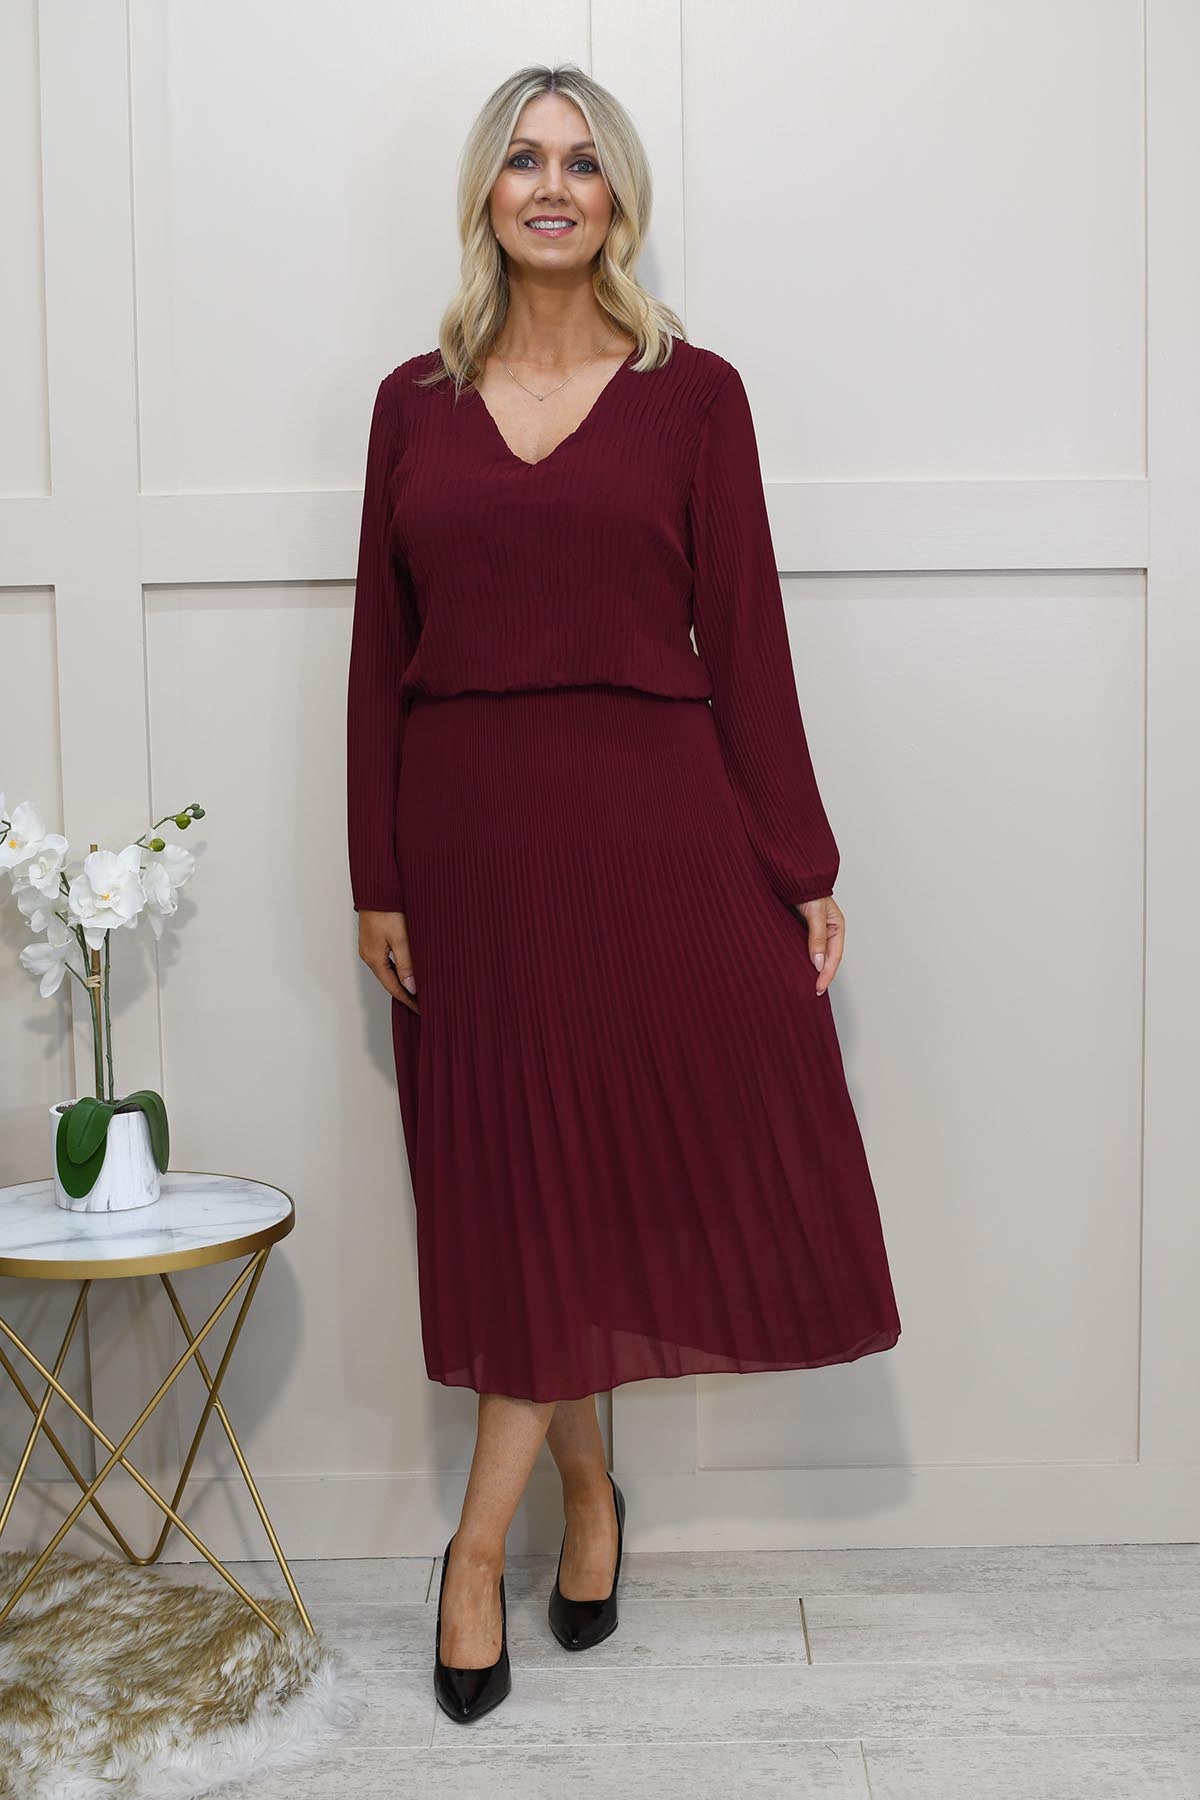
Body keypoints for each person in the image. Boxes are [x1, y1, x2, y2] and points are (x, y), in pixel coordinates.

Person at [346, 63, 902, 1724]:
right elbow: (378, 653)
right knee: (521, 1189)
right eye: (523, 159)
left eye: (582, 163)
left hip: (650, 831)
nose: (551, 186)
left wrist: (799, 863)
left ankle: (475, 1556)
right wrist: (376, 871)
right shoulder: (411, 404)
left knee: (592, 1176)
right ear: (486, 194)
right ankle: (590, 1500)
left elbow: (749, 640)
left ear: (619, 200)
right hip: (468, 844)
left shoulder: (695, 395)